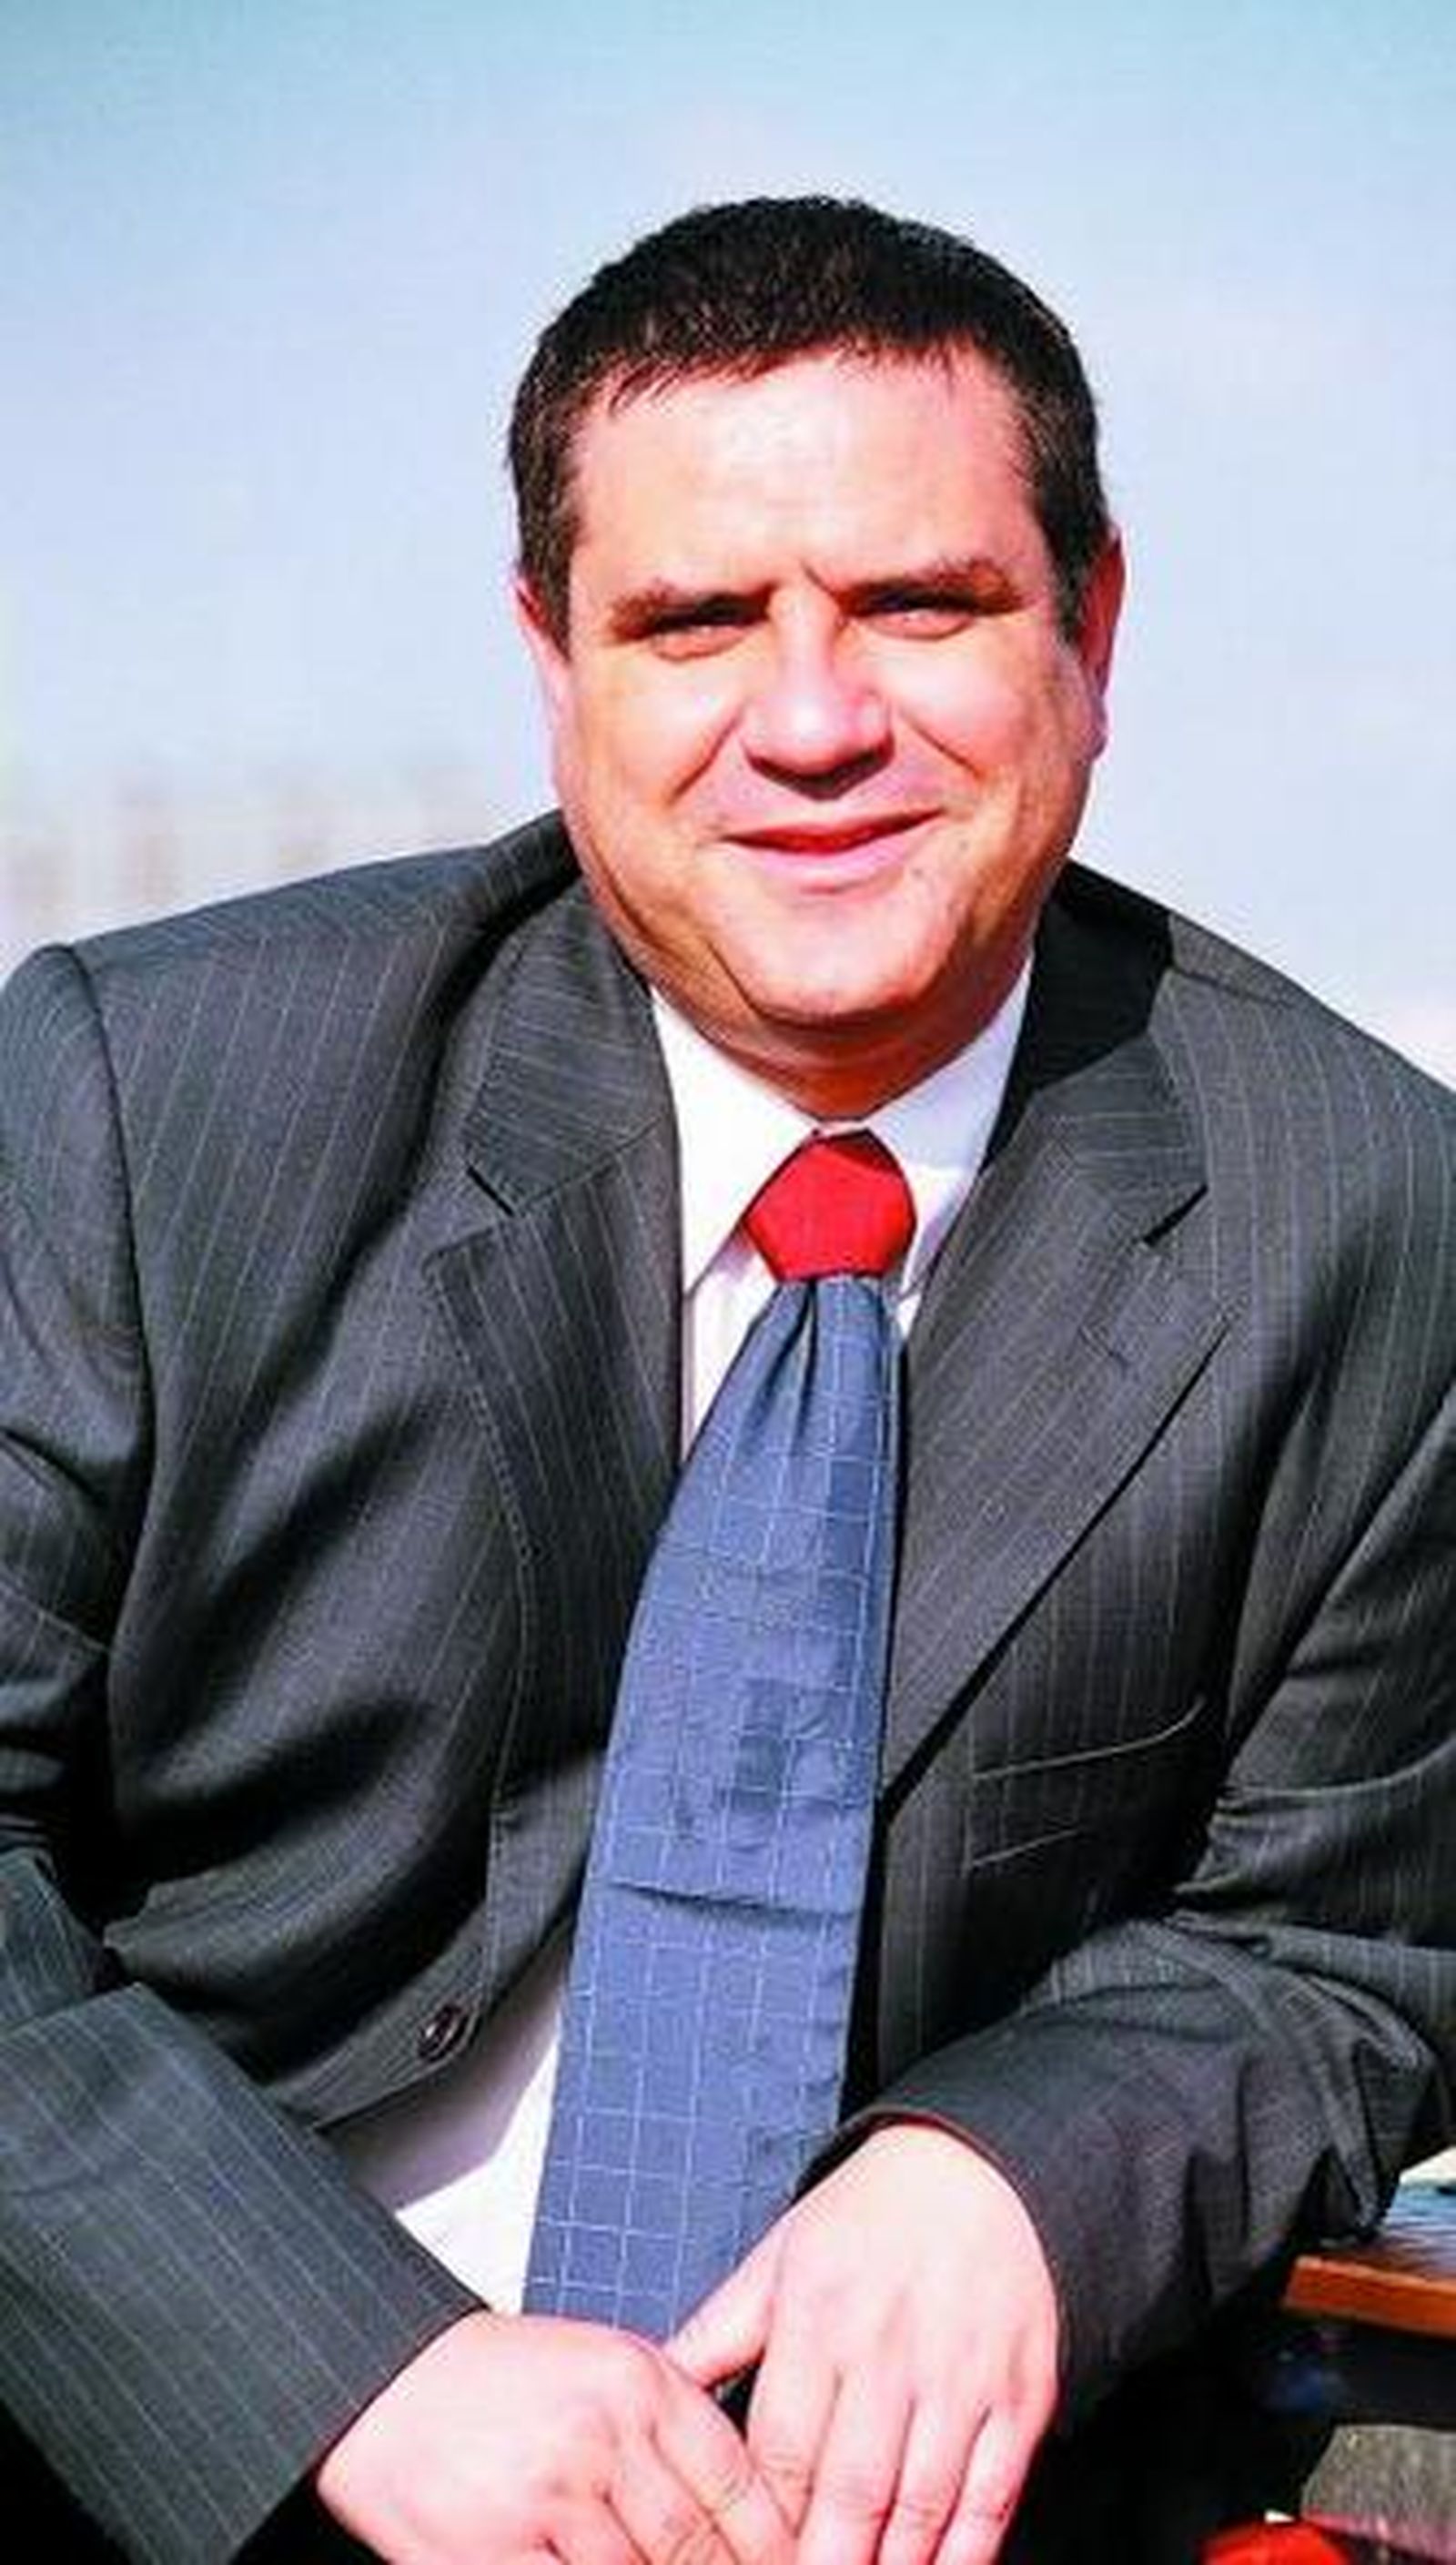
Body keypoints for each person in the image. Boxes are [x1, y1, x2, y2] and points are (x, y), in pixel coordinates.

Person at [0, 195, 1451, 2565]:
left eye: (919, 605)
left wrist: (1022, 2167)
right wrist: (332, 2364)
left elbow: (1342, 1940)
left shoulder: (1367, 1209)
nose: (811, 722)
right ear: (553, 660)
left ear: (1092, 628)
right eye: (693, 623)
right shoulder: (147, 1110)